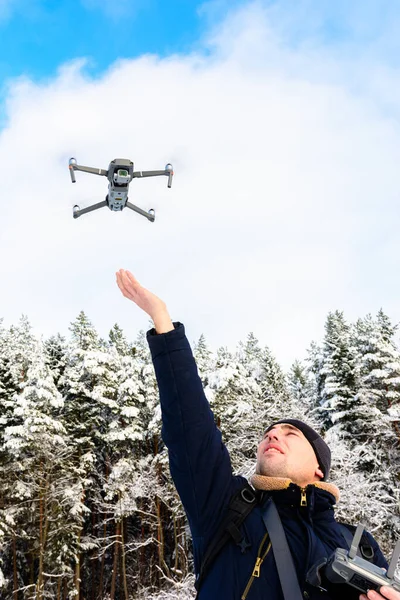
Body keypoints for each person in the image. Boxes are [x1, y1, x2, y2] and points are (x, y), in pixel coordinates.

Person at [116, 269, 396, 600]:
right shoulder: (227, 508)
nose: (273, 436)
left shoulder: (359, 547)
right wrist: (163, 324)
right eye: (268, 433)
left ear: (319, 467)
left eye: (290, 434)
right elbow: (192, 432)